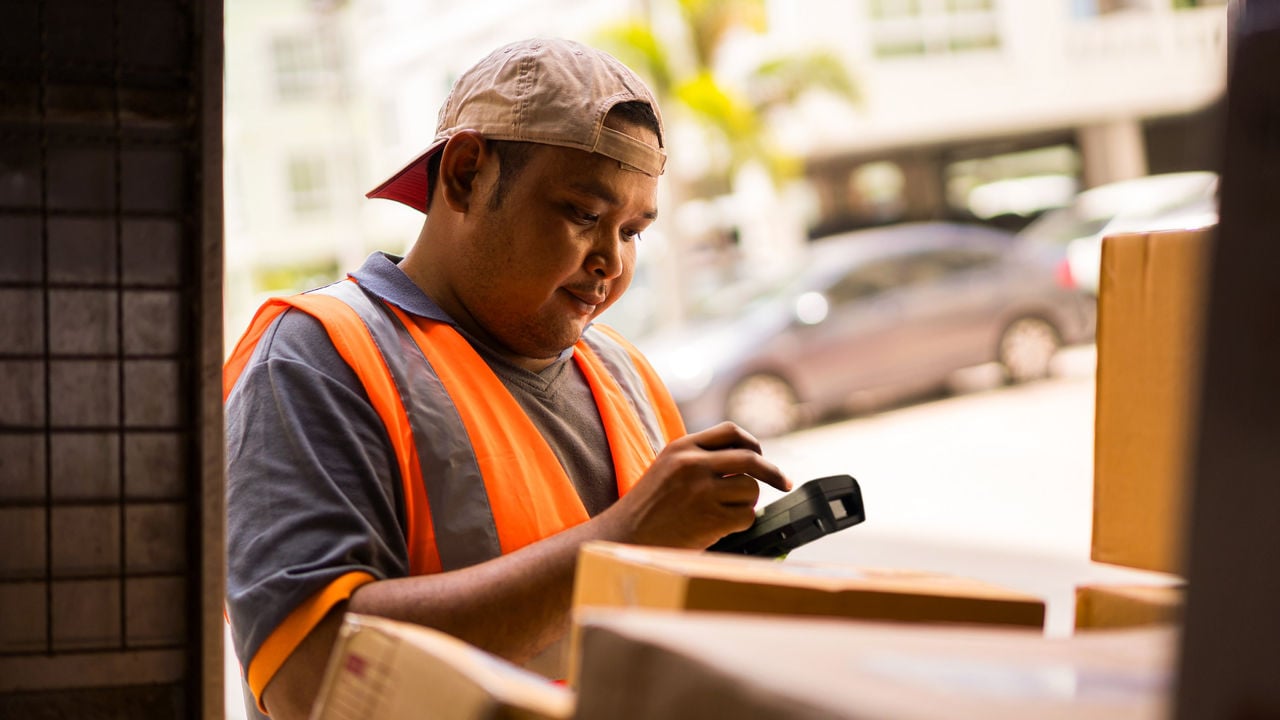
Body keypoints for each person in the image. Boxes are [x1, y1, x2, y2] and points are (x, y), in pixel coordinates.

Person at [223, 37, 791, 720]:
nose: (611, 259)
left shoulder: (624, 371)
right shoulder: (317, 358)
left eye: (634, 230)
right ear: (465, 174)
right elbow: (311, 679)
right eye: (583, 215)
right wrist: (624, 541)